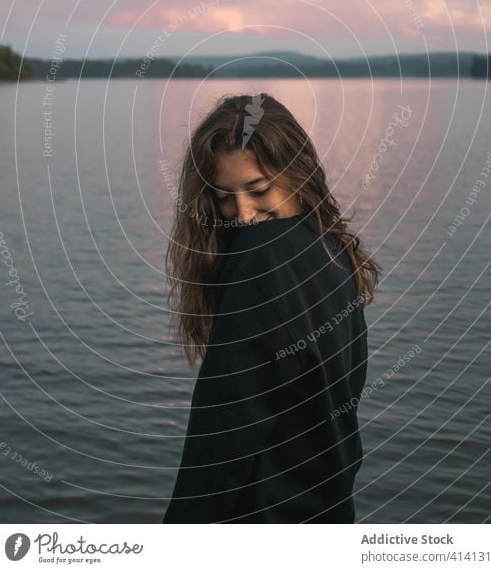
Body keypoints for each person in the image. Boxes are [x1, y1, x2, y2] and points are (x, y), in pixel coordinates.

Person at [162, 92, 381, 523]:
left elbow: (224, 436)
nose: (242, 214)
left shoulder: (265, 260)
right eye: (224, 196)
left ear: (297, 175)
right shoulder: (331, 251)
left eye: (259, 190)